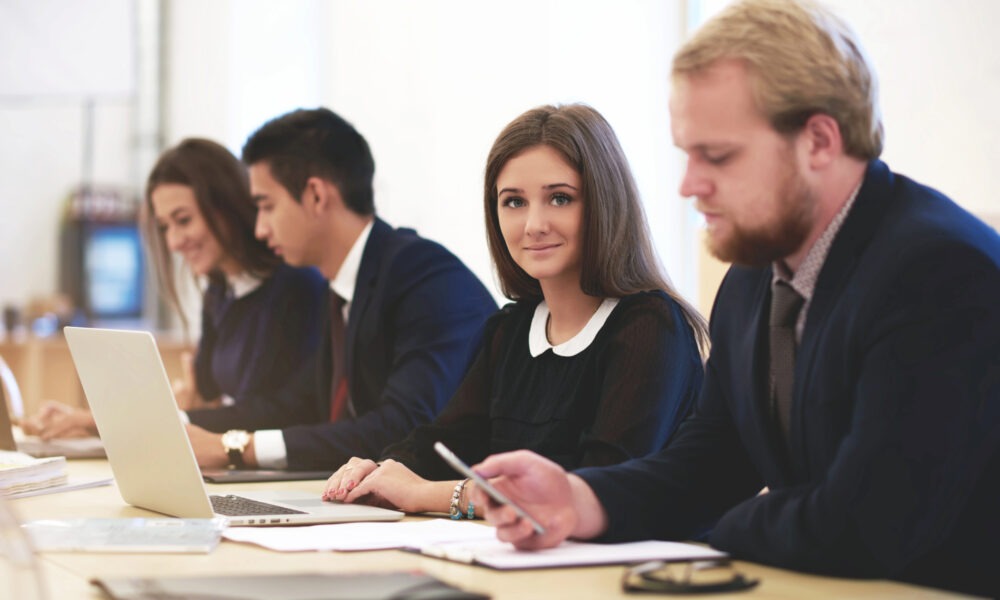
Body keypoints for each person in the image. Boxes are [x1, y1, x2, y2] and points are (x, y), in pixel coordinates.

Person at [469, 1, 1000, 596]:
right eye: (686, 154)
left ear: (819, 141)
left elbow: (867, 523)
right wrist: (577, 499)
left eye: (716, 156)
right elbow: (712, 462)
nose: (689, 185)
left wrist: (724, 526)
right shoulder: (751, 278)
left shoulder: (938, 272)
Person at [321, 104, 707, 516]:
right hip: (525, 562)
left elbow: (592, 486)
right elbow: (444, 444)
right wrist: (380, 471)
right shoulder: (510, 328)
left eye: (560, 199)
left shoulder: (650, 327)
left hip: (630, 571)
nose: (533, 224)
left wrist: (434, 495)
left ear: (604, 204)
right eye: (514, 202)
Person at [183, 108, 498, 472]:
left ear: (316, 195)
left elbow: (403, 426)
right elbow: (299, 404)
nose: (260, 230)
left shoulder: (422, 275)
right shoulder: (341, 287)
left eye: (267, 207)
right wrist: (182, 425)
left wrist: (235, 448)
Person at [23, 138, 328, 439]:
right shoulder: (219, 292)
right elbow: (205, 396)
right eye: (166, 226)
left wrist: (98, 423)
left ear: (229, 206)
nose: (173, 242)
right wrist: (101, 423)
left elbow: (277, 413)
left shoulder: (298, 284)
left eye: (183, 220)